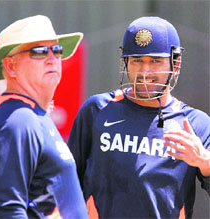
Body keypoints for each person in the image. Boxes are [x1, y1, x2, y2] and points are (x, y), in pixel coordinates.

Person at [68, 16, 210, 218]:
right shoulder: (97, 110)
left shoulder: (195, 124)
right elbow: (65, 184)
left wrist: (204, 162)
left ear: (175, 63)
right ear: (125, 63)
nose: (145, 72)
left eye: (155, 61)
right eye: (137, 61)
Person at [0, 15, 88, 218]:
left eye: (56, 50)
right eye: (39, 51)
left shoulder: (33, 115)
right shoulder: (18, 120)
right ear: (11, 66)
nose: (52, 58)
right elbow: (8, 210)